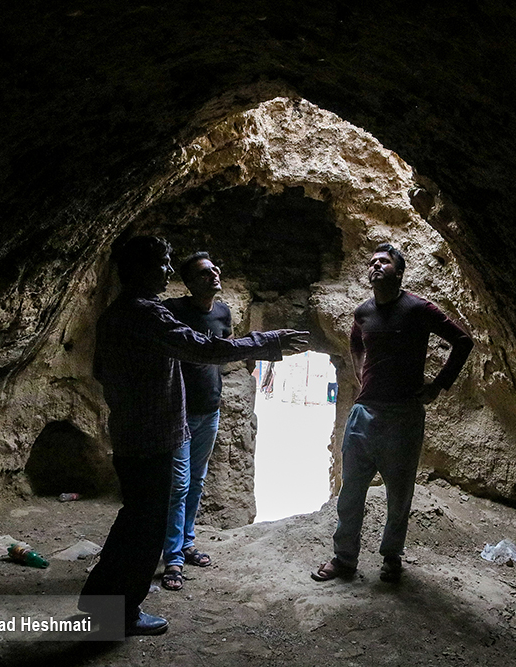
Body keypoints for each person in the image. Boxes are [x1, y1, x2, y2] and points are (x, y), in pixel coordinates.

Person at [79, 236, 309, 636]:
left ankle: (97, 603)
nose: (168, 272)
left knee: (133, 521)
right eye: (162, 264)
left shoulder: (116, 314)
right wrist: (268, 341)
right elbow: (205, 349)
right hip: (153, 437)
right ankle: (121, 615)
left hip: (132, 432)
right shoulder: (146, 314)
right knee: (146, 530)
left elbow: (101, 370)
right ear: (139, 269)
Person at [312, 243, 473, 584]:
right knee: (351, 490)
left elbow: (463, 341)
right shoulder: (363, 312)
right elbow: (356, 343)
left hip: (404, 415)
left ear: (399, 272)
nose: (375, 266)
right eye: (371, 262)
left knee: (399, 493)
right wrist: (359, 373)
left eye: (384, 261)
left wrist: (438, 385)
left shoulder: (418, 308)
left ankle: (391, 557)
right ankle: (344, 559)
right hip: (364, 413)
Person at [159, 252, 232, 591]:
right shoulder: (174, 310)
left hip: (210, 410)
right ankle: (172, 556)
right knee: (179, 484)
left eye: (214, 269)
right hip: (180, 412)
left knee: (197, 481)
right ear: (188, 283)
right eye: (204, 273)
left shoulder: (222, 312)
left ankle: (186, 543)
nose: (213, 274)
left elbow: (225, 352)